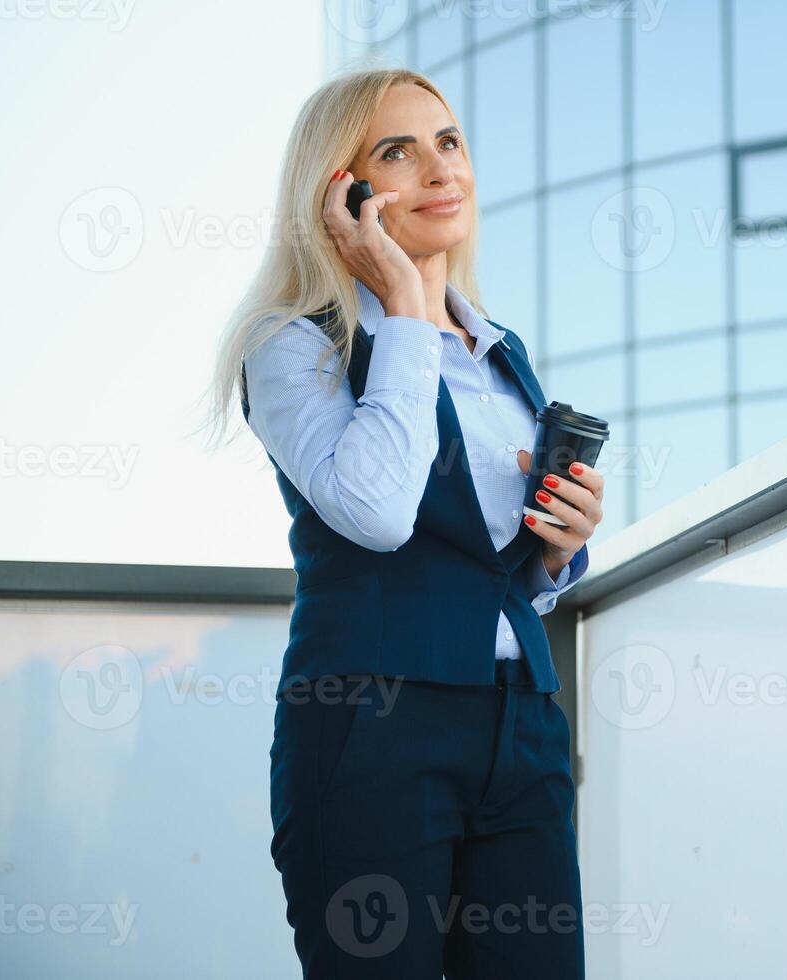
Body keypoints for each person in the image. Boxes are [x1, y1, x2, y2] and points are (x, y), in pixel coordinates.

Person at [206, 67, 602, 978]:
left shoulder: (502, 351)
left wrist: (560, 550)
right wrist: (405, 309)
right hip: (371, 725)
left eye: (448, 142)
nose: (438, 170)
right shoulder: (294, 344)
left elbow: (497, 565)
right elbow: (378, 515)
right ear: (340, 193)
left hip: (523, 724)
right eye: (397, 151)